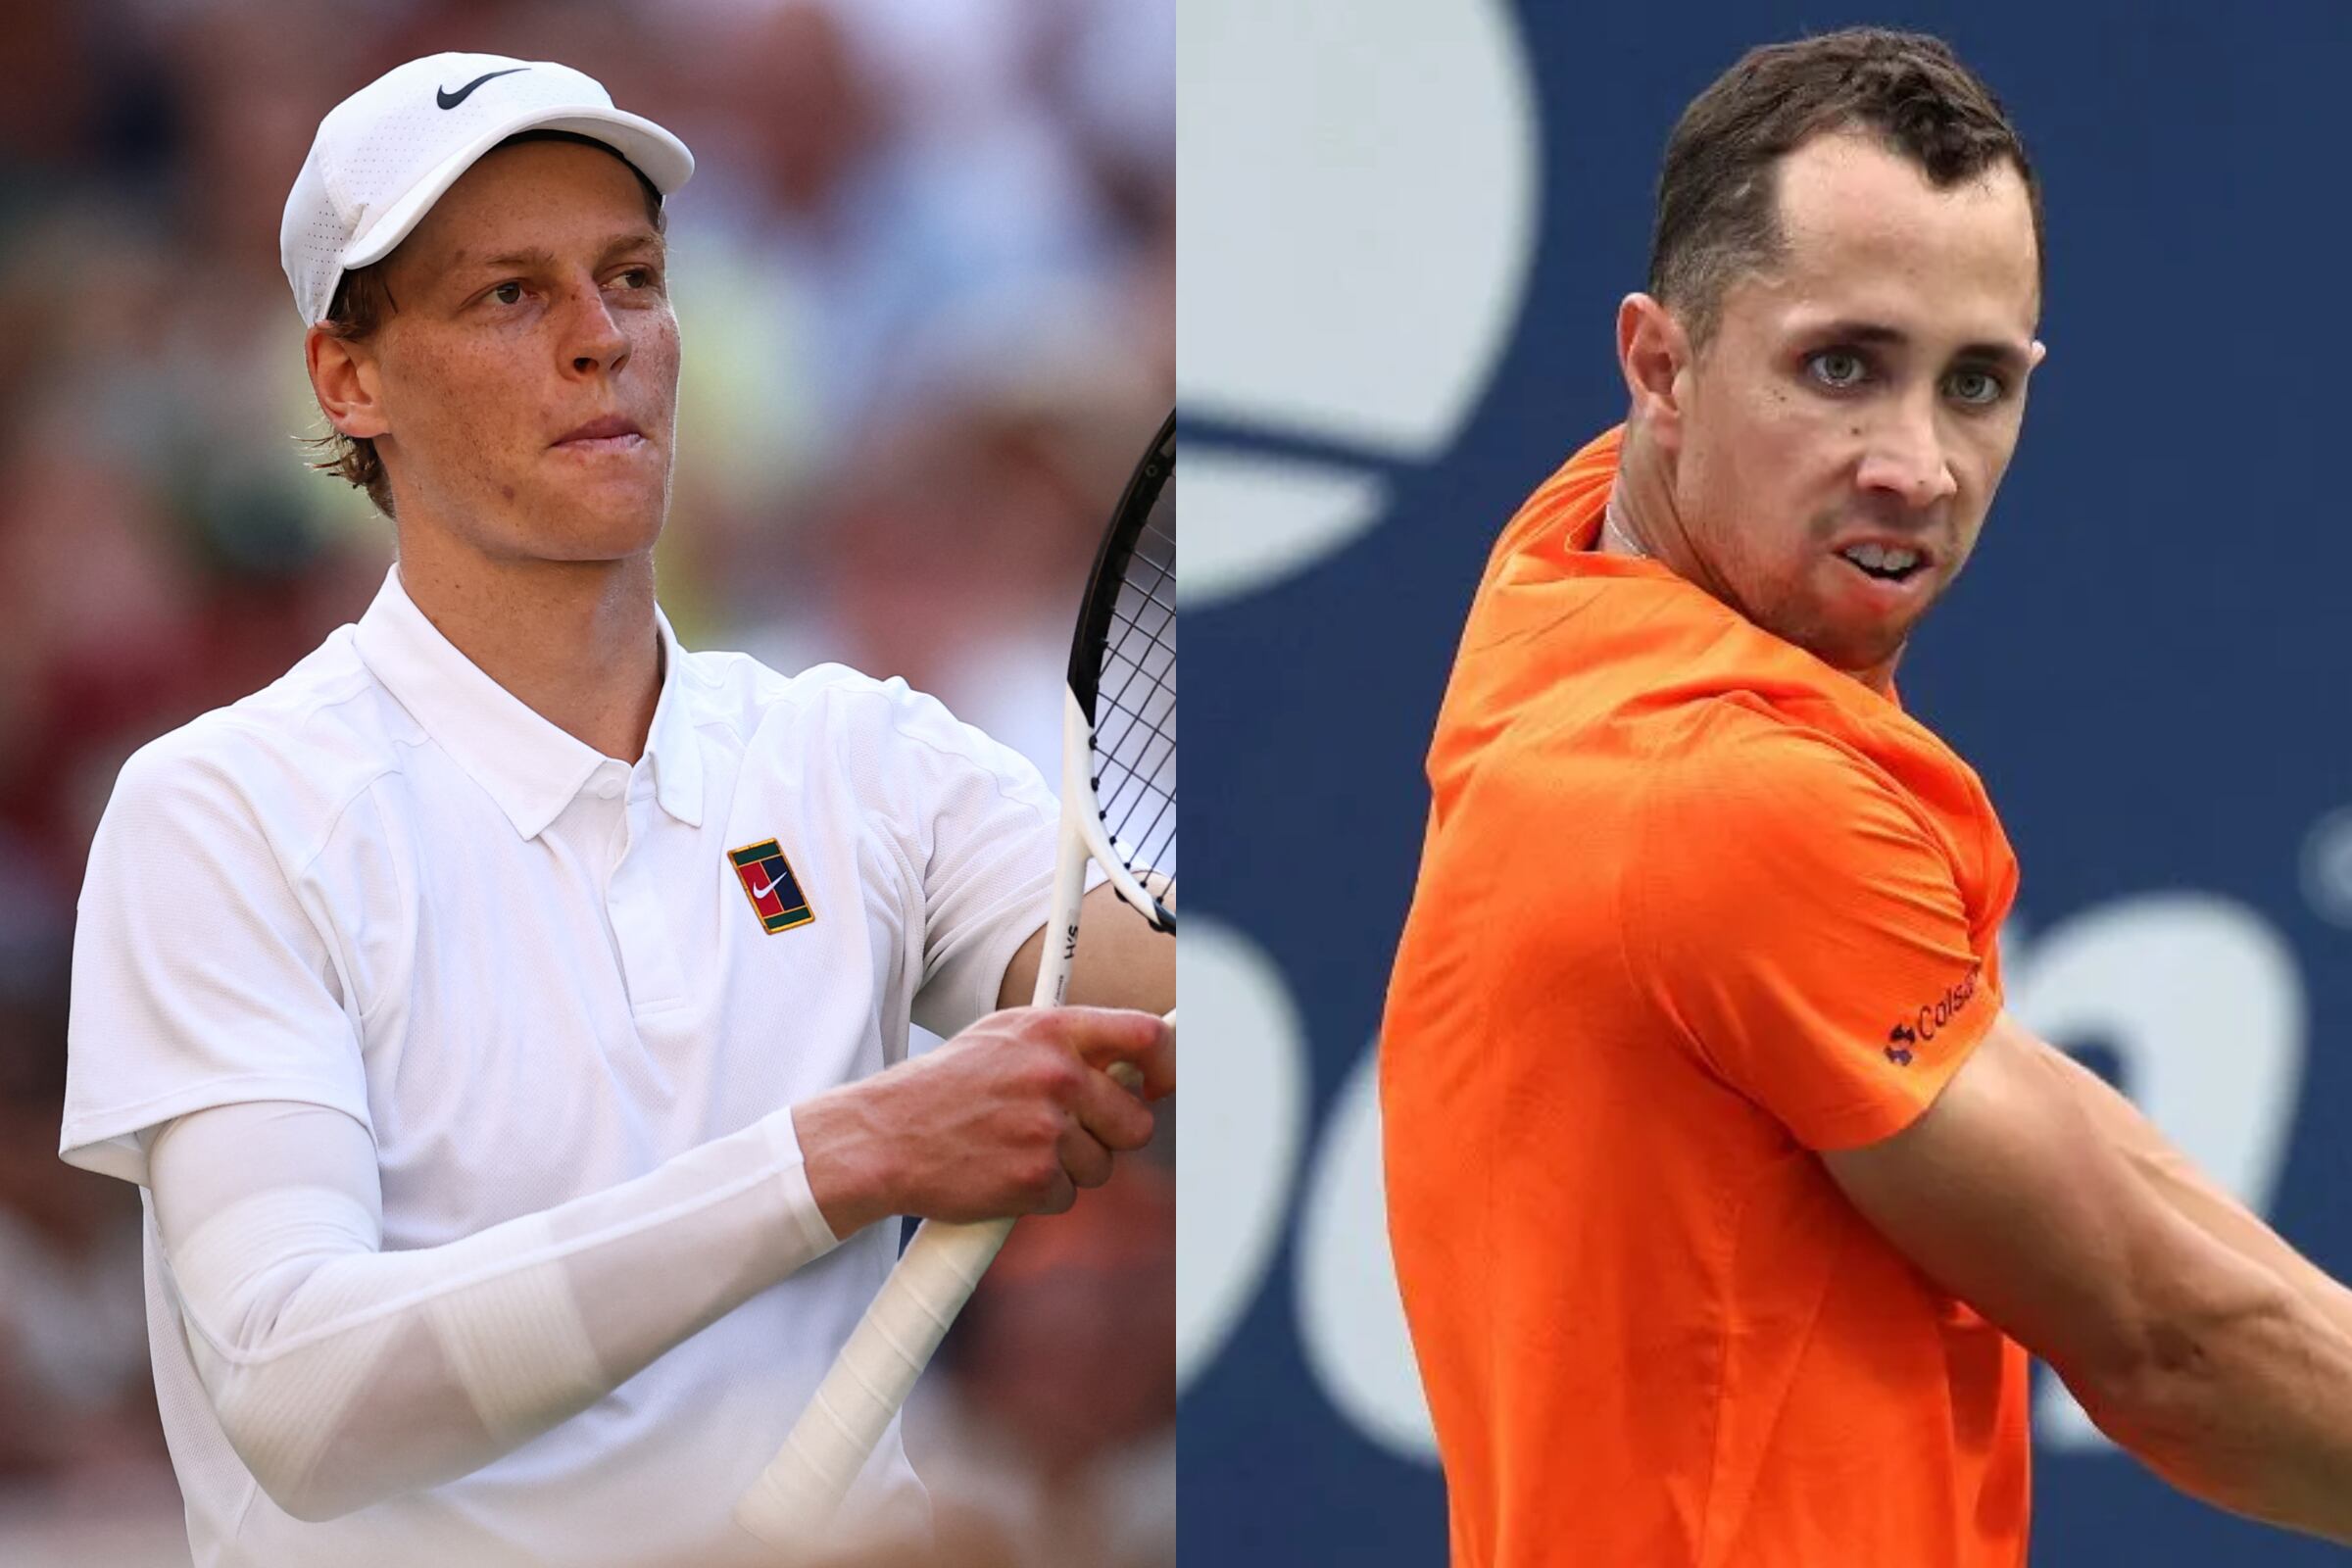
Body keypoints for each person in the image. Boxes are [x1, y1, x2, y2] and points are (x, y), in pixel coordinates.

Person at [56, 52, 1173, 1568]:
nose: (602, 339)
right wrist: (847, 1155)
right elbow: (301, 1393)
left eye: (632, 278)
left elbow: (1180, 987)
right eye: (509, 295)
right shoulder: (219, 812)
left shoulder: (861, 755)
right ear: (348, 379)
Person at [1380, 27, 2352, 1568]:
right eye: (1842, 367)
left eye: (1977, 383)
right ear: (1659, 367)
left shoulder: (1569, 579)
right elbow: (2168, 1337)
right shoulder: (1726, 797)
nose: (1919, 465)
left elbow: (2097, 1176)